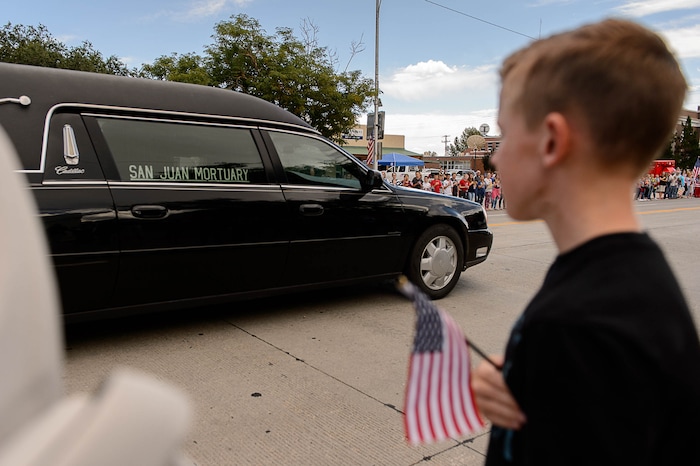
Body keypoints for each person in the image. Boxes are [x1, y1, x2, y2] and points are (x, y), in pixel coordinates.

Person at [471, 19, 700, 466]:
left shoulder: (576, 330)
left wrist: (551, 362)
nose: (494, 156)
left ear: (552, 141)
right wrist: (522, 374)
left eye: (503, 134)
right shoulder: (627, 280)